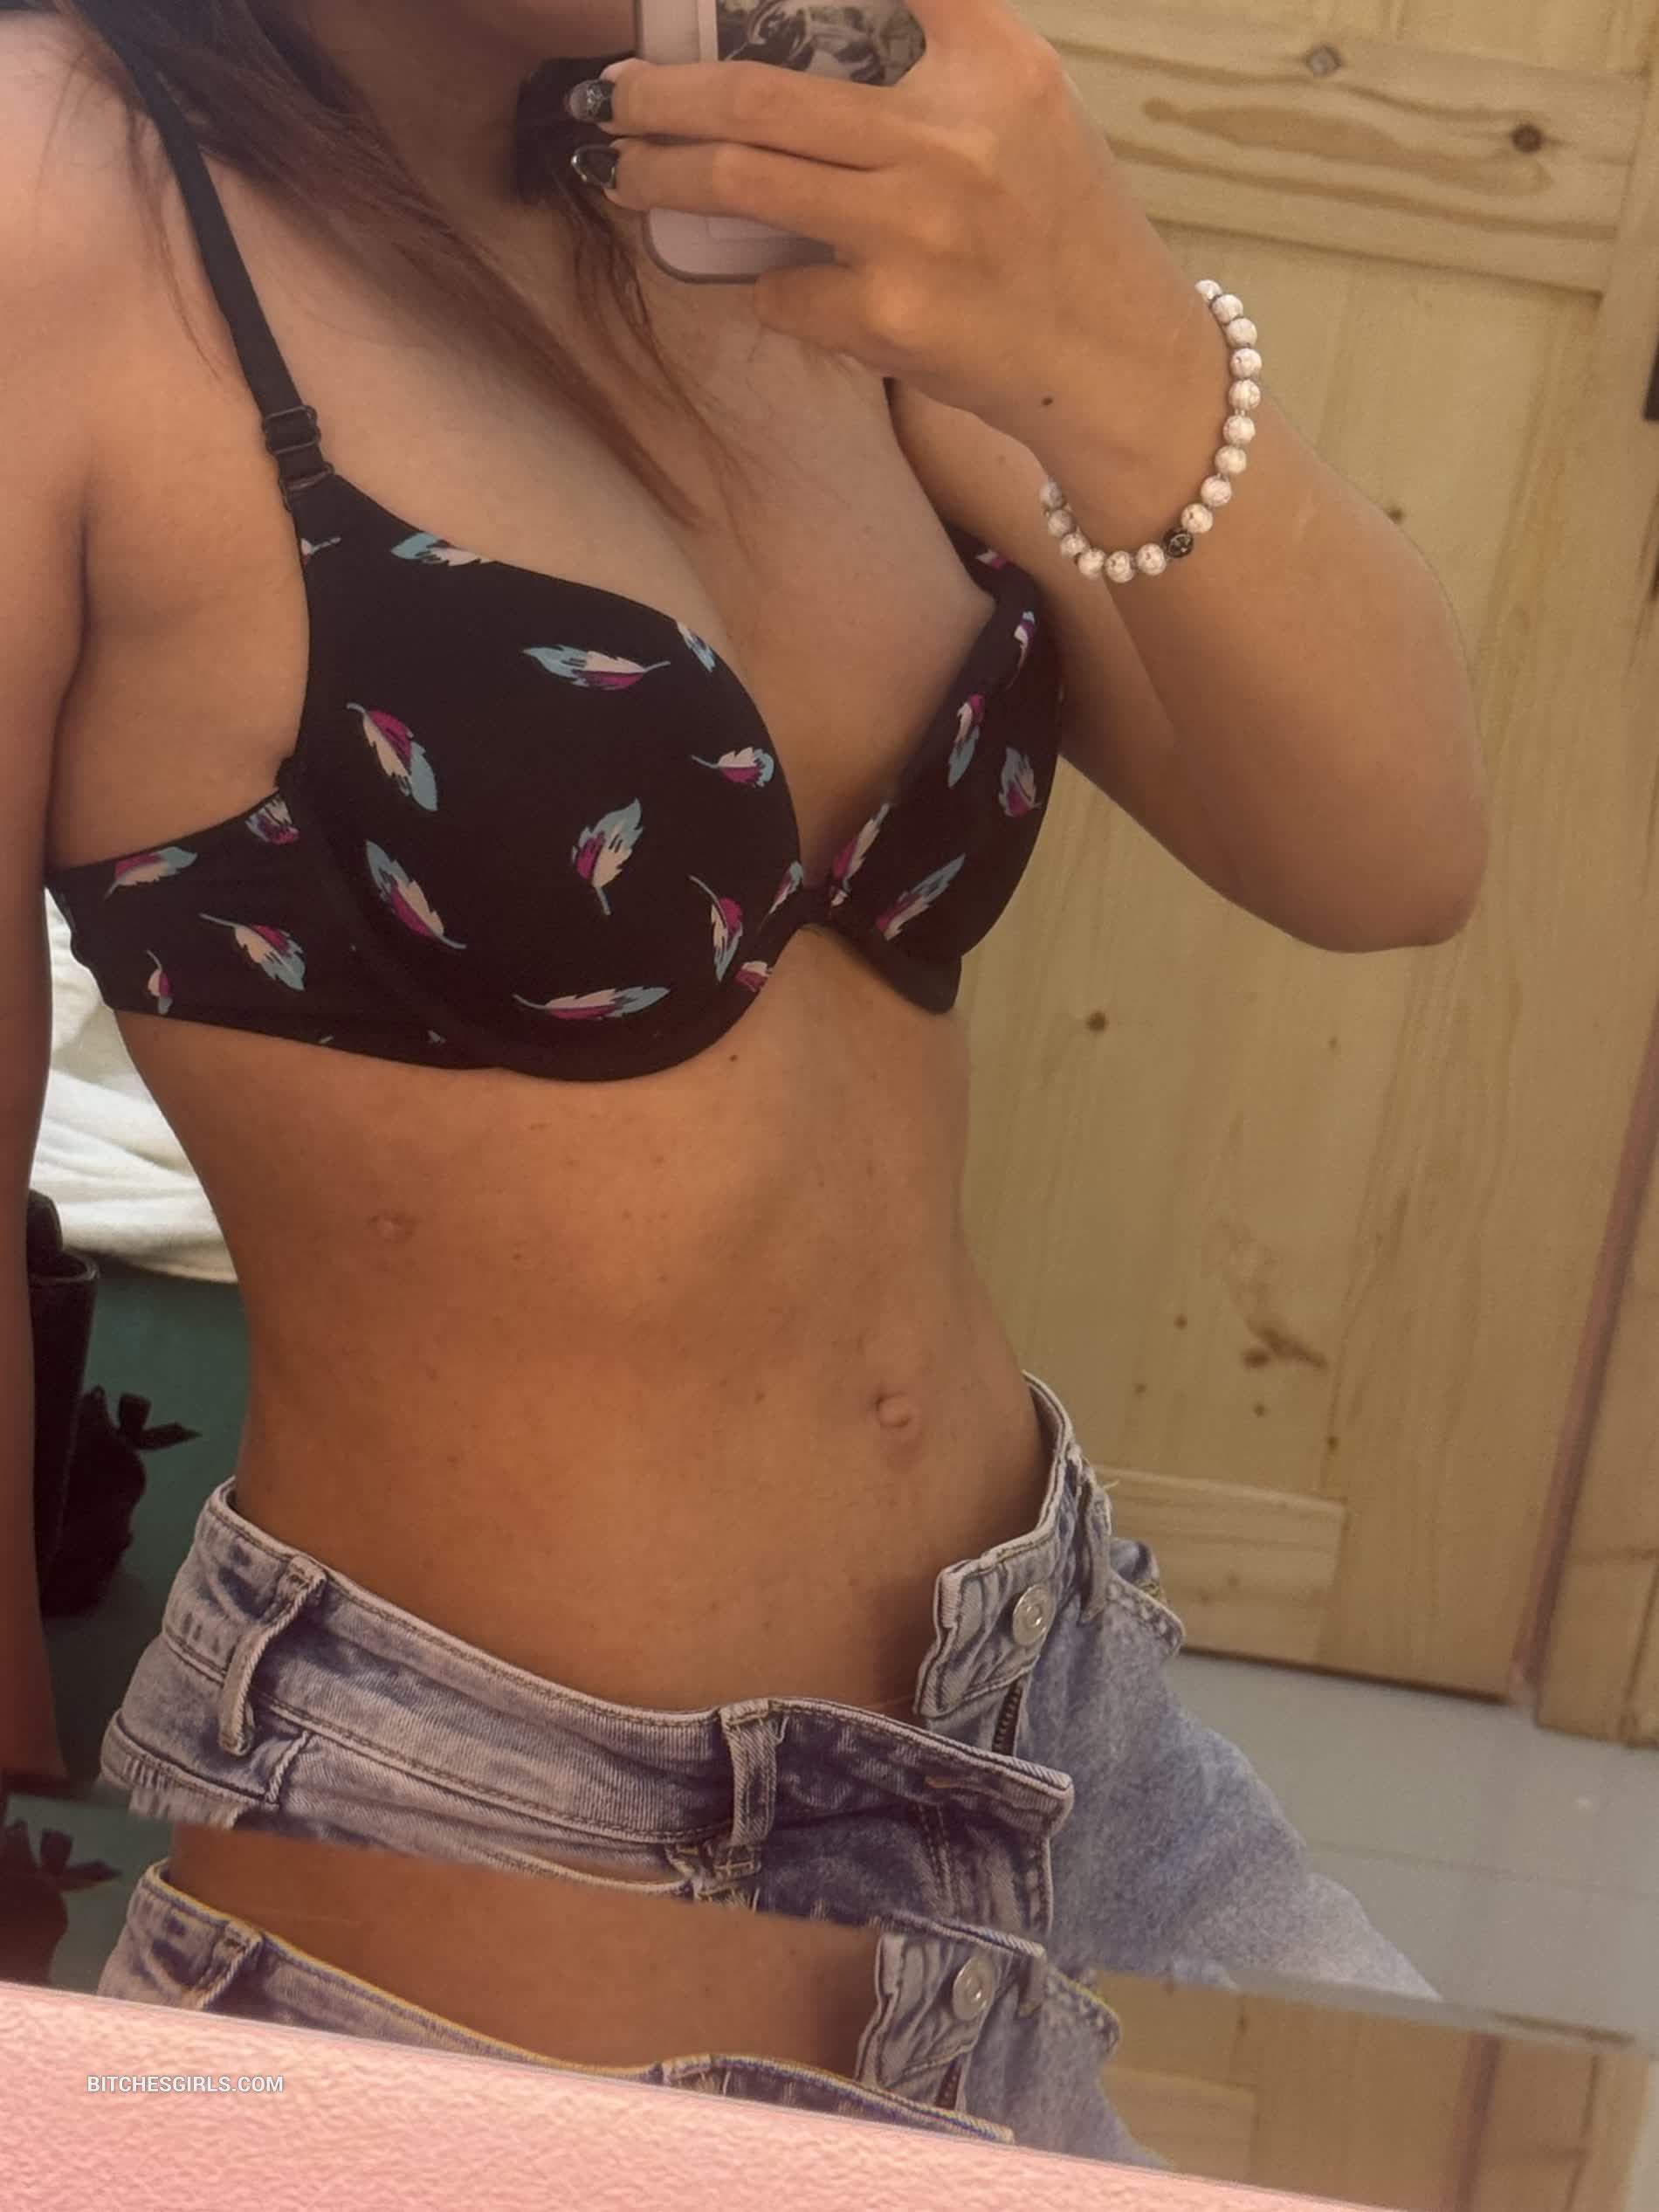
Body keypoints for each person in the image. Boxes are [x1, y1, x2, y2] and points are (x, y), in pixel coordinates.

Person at [1, 0, 1487, 2157]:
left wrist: (1108, 329)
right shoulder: (60, 192)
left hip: (1071, 1730)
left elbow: (1387, 858)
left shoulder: (776, 164)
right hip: (507, 1861)